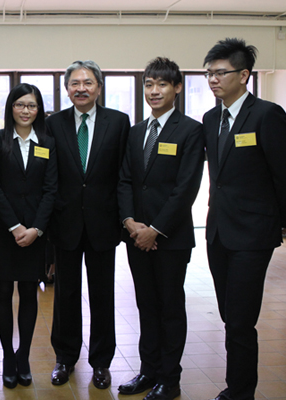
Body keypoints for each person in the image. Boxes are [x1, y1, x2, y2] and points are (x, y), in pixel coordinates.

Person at [202, 38, 286, 400]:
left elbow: (283, 174)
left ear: (245, 75)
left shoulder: (267, 114)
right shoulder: (210, 119)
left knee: (240, 320)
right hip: (218, 232)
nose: (213, 80)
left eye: (221, 73)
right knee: (229, 315)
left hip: (253, 233)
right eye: (209, 73)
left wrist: (282, 224)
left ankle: (240, 391)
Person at [117, 57, 204, 400]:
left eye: (162, 84)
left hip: (170, 239)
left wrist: (155, 229)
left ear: (177, 88)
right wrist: (130, 223)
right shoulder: (137, 131)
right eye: (149, 85)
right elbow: (124, 180)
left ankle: (170, 379)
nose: (154, 91)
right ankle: (148, 371)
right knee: (146, 305)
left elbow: (186, 187)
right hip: (136, 237)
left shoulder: (191, 130)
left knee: (170, 307)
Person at [46, 60, 130, 388]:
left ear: (99, 86)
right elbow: (48, 176)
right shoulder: (53, 125)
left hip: (103, 224)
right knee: (65, 295)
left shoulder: (119, 122)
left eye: (88, 82)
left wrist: (126, 220)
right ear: (66, 89)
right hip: (64, 224)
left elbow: (124, 175)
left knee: (102, 294)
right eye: (75, 83)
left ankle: (101, 362)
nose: (81, 88)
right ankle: (65, 358)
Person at [0, 83, 57, 389]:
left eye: (32, 105)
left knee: (29, 293)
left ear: (38, 110)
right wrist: (15, 227)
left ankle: (23, 355)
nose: (26, 111)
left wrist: (36, 229)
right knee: (3, 294)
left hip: (36, 233)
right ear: (10, 108)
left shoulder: (47, 143)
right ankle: (7, 357)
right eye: (20, 104)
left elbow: (51, 189)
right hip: (3, 230)